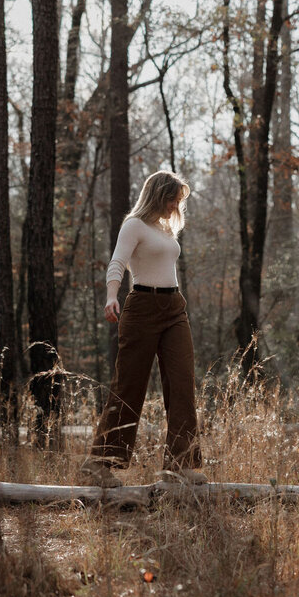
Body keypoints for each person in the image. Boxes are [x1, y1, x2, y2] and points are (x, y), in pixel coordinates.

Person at [80, 170, 206, 487]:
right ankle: (99, 464)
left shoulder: (165, 230)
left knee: (182, 382)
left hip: (174, 307)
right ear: (157, 196)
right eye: (172, 199)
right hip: (142, 307)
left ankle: (180, 465)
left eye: (178, 201)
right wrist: (111, 296)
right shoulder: (134, 225)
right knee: (129, 385)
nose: (175, 205)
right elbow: (117, 263)